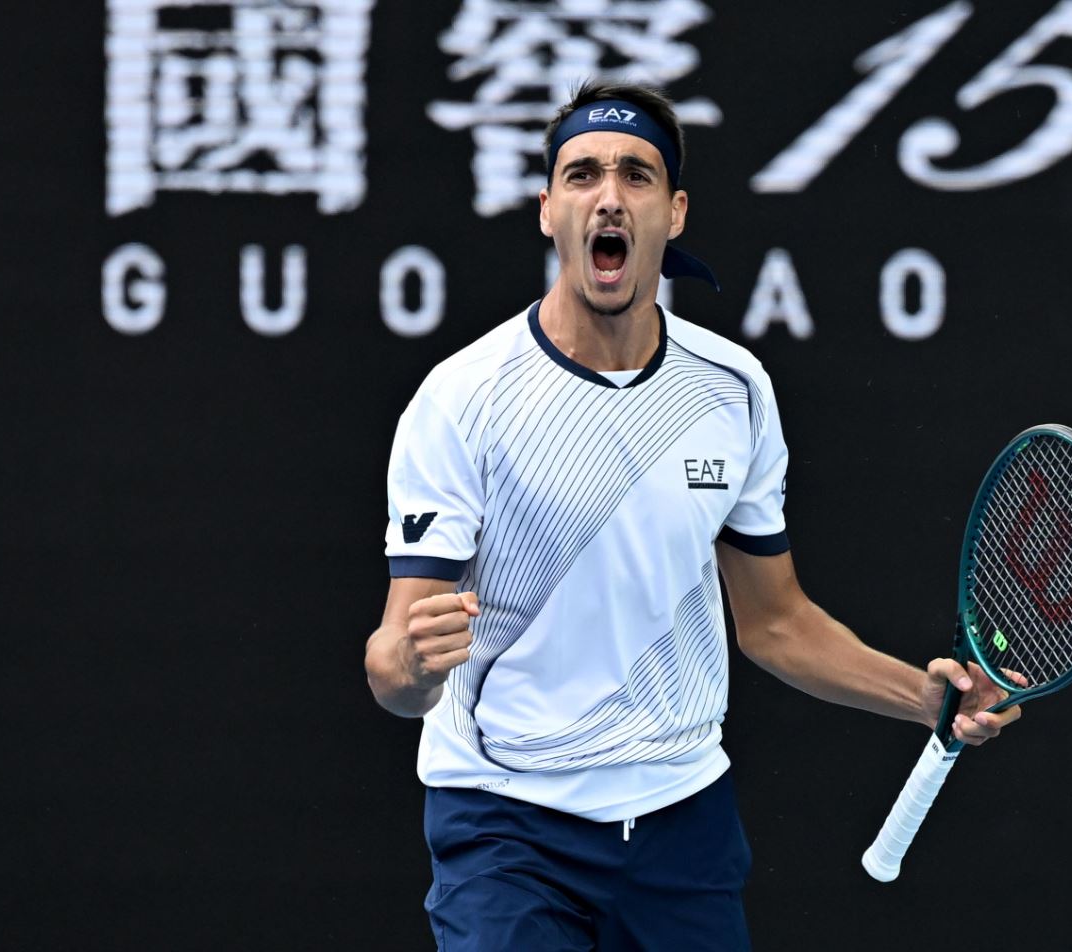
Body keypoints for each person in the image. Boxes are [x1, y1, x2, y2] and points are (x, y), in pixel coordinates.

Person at [364, 80, 1022, 951]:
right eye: (581, 175)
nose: (608, 195)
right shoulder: (461, 400)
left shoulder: (733, 390)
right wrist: (409, 664)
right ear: (547, 210)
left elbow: (774, 622)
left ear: (672, 213)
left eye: (636, 176)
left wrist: (925, 699)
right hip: (506, 826)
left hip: (681, 825)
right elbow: (394, 667)